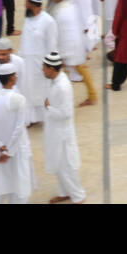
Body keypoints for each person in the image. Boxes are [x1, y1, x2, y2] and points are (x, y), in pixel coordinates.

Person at [0, 62, 34, 204]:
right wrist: (8, 151)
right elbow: (19, 128)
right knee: (18, 190)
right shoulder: (19, 99)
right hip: (15, 152)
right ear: (11, 78)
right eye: (14, 75)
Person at [42, 52, 86, 203]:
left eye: (44, 67)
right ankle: (64, 192)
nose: (42, 70)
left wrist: (48, 108)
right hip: (54, 130)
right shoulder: (53, 81)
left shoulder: (63, 86)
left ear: (51, 69)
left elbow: (66, 113)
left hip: (62, 134)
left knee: (66, 166)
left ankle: (78, 196)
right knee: (58, 164)